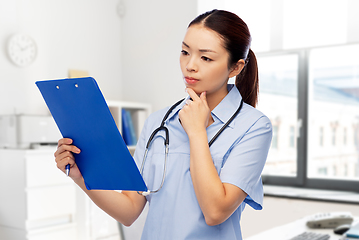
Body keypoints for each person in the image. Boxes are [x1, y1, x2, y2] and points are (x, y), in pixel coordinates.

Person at [55, 9, 272, 240]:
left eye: (205, 58)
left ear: (235, 67)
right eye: (185, 52)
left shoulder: (254, 127)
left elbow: (216, 211)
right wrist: (81, 177)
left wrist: (197, 131)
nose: (190, 65)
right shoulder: (158, 122)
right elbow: (129, 211)